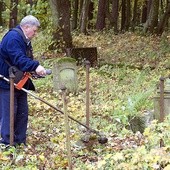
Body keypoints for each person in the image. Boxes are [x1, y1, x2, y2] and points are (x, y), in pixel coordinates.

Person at [0, 15, 47, 146]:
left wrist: (33, 70)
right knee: (9, 113)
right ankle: (7, 143)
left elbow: (26, 59)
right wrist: (36, 66)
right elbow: (18, 59)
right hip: (6, 82)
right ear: (26, 27)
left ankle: (20, 141)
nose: (35, 34)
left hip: (20, 81)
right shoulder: (13, 38)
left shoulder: (25, 39)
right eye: (34, 30)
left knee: (22, 112)